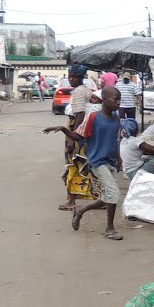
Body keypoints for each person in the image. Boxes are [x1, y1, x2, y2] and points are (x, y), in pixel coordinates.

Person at [44, 86, 124, 240]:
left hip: (111, 161)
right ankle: (109, 229)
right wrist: (63, 129)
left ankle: (81, 210)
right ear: (105, 100)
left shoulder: (116, 120)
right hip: (97, 162)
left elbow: (116, 141)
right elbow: (79, 136)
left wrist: (119, 159)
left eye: (119, 99)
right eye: (116, 99)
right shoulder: (93, 117)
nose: (118, 102)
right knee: (114, 193)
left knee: (108, 197)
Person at [56, 66, 96, 211]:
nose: (71, 79)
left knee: (73, 162)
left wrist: (74, 138)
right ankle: (95, 197)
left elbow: (79, 115)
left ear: (81, 77)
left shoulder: (79, 91)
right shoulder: (85, 89)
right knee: (84, 163)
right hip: (81, 129)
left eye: (75, 76)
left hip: (76, 128)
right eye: (70, 76)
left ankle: (71, 200)